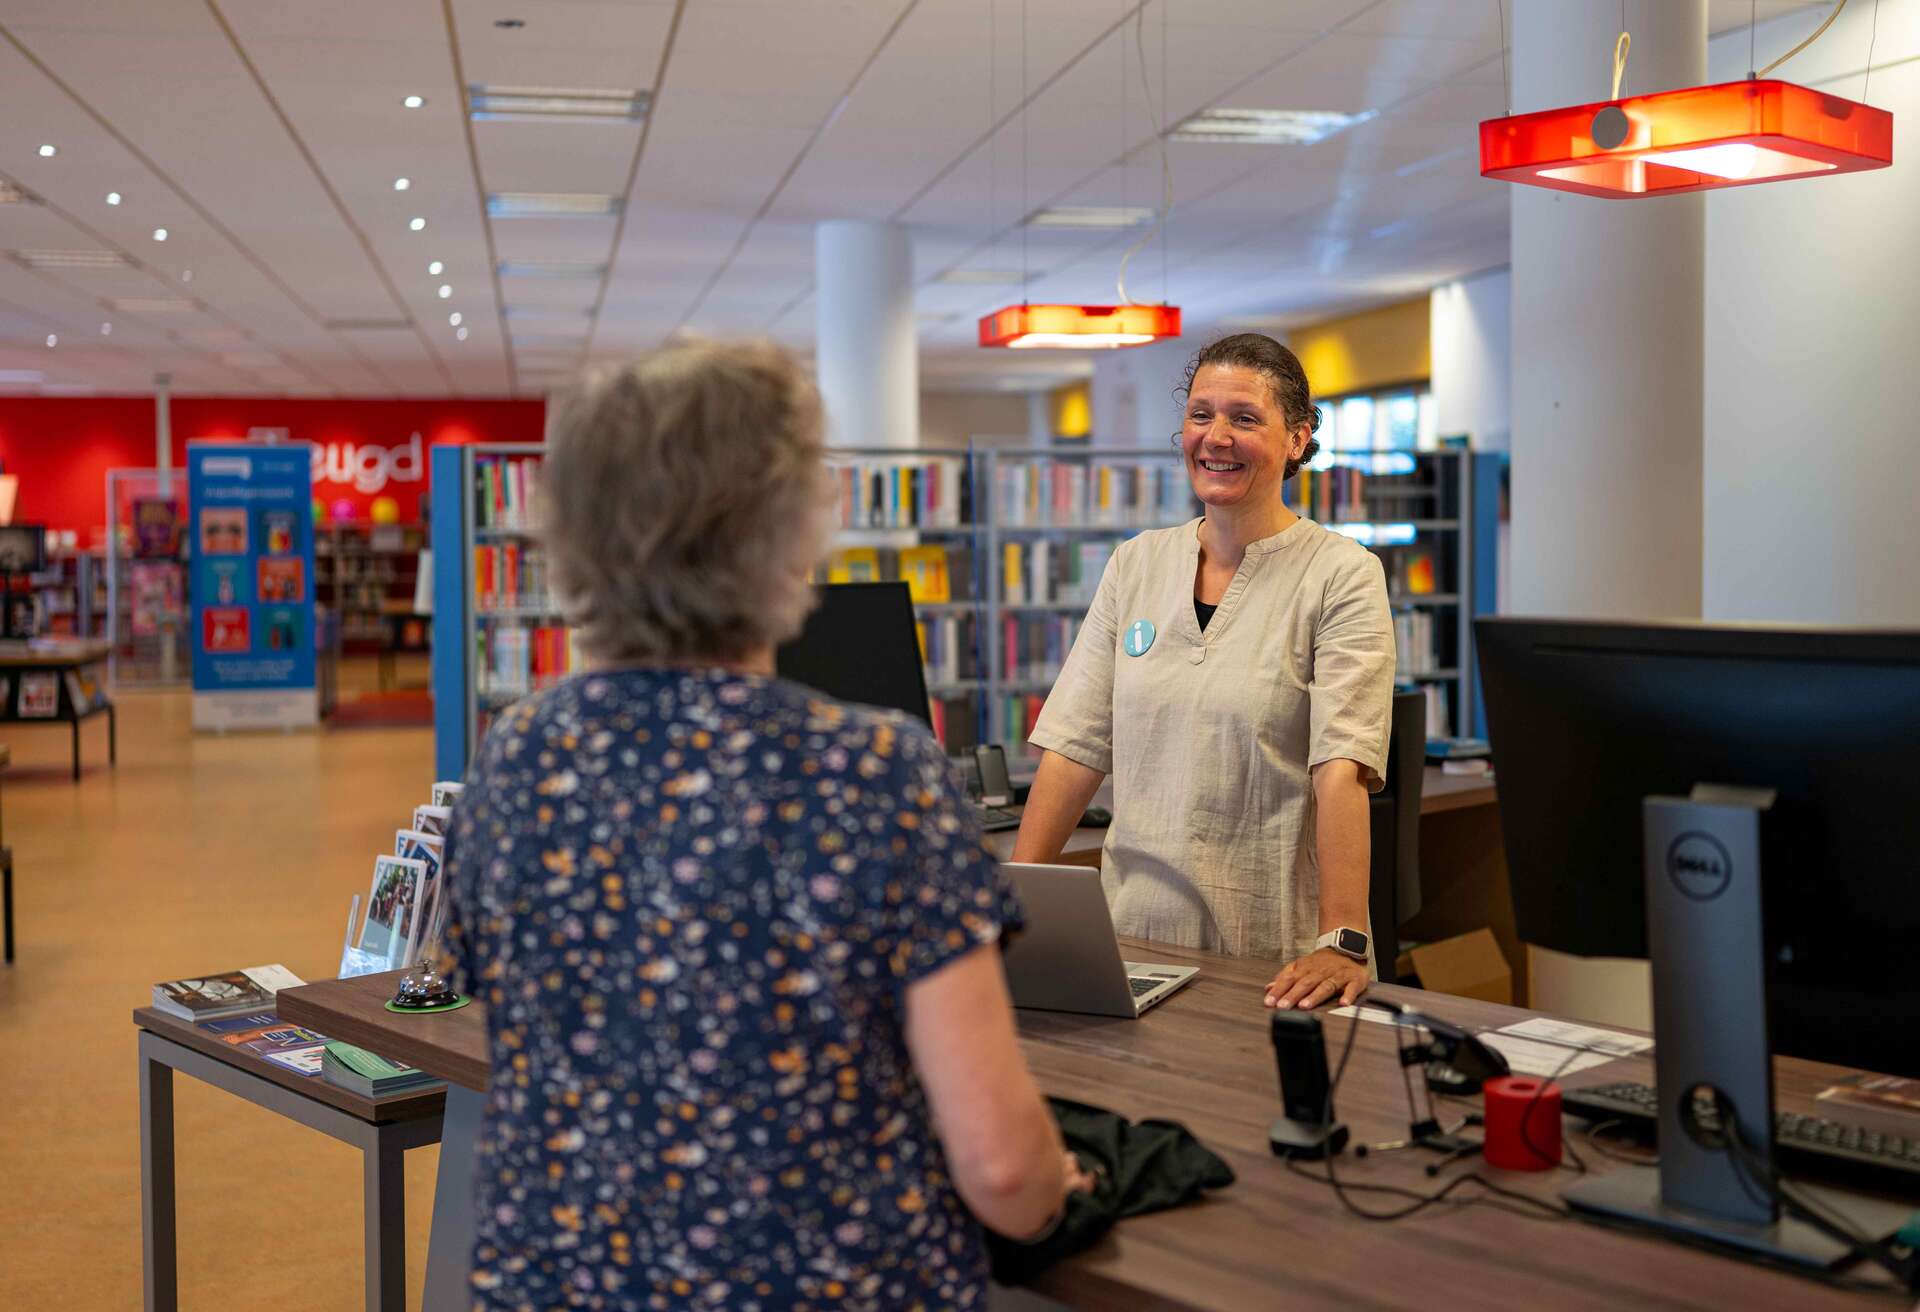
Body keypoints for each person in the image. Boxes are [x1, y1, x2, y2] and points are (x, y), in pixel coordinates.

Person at [443, 339, 1088, 1311]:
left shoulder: (514, 759)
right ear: (785, 528)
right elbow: (1003, 1170)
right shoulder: (871, 771)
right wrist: (1060, 1186)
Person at [1013, 333, 1395, 1013]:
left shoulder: (1341, 574)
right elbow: (1076, 745)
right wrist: (1014, 906)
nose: (1215, 437)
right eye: (1200, 415)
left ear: (1298, 438)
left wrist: (1343, 939)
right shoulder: (1136, 564)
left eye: (1244, 419)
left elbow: (1342, 765)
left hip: (1268, 952)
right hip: (1131, 939)